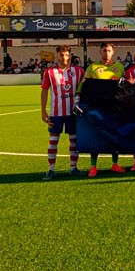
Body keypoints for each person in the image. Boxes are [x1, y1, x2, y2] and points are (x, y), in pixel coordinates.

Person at [81, 42, 127, 177]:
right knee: (95, 136)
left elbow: (124, 87)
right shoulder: (93, 67)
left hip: (114, 107)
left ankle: (115, 164)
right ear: (100, 52)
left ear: (113, 52)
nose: (106, 53)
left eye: (108, 50)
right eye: (104, 51)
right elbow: (84, 85)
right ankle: (93, 166)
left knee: (114, 136)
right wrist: (79, 100)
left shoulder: (119, 68)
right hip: (97, 108)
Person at [40, 45, 85, 180]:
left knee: (73, 141)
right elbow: (44, 91)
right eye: (61, 55)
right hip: (56, 113)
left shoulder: (78, 71)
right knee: (53, 141)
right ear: (57, 56)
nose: (64, 57)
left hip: (73, 113)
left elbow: (85, 88)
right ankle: (51, 169)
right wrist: (43, 111)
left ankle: (73, 167)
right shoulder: (49, 72)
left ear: (69, 56)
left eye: (66, 55)